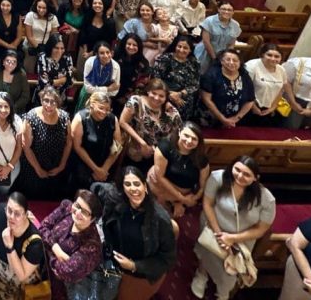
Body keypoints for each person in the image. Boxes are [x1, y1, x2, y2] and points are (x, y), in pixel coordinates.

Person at [191, 156, 275, 300]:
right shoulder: (218, 178)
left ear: (256, 178)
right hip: (214, 228)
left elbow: (261, 228)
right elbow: (207, 204)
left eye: (247, 174)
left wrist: (232, 238)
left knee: (230, 272)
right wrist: (219, 234)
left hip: (241, 239)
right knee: (207, 254)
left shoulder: (266, 199)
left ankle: (222, 293)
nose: (240, 176)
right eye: (237, 170)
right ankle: (202, 273)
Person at [91, 166, 177, 300]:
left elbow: (168, 260)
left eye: (137, 184)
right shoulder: (116, 198)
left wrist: (134, 266)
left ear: (145, 187)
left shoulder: (160, 220)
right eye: (127, 184)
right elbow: (95, 188)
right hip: (109, 257)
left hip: (136, 268)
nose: (133, 188)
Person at [37, 190, 104, 300]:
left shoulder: (92, 246)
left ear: (93, 219)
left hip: (60, 290)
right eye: (77, 206)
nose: (78, 212)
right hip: (39, 266)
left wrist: (47, 246)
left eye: (85, 212)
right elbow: (43, 228)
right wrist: (56, 249)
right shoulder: (67, 207)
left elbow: (67, 272)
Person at [0, 192, 48, 300]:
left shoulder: (35, 242)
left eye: (17, 214)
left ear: (26, 214)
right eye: (9, 210)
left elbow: (22, 275)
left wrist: (9, 247)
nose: (11, 217)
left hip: (20, 280)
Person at [146, 122, 209, 219]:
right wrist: (182, 199)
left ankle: (175, 205)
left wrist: (193, 198)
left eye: (194, 139)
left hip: (185, 193)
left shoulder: (201, 158)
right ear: (179, 132)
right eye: (186, 135)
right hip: (161, 187)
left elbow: (202, 185)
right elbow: (160, 177)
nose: (189, 141)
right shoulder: (165, 146)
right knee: (161, 216)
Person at [20, 86, 72, 199]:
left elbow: (69, 143)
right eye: (46, 100)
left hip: (56, 166)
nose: (49, 105)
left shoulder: (64, 117)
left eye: (53, 102)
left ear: (58, 102)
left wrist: (62, 165)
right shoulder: (31, 117)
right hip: (33, 167)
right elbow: (26, 147)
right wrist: (38, 169)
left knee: (51, 199)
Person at [120, 79, 181, 172]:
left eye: (161, 96)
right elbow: (122, 121)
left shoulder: (170, 110)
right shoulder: (136, 101)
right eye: (154, 93)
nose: (157, 98)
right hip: (136, 149)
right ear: (148, 91)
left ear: (166, 98)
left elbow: (179, 131)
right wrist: (142, 143)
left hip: (158, 154)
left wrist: (160, 150)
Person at [69, 91, 122, 192]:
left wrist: (104, 169)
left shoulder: (112, 119)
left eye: (107, 109)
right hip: (84, 164)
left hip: (106, 165)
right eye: (101, 108)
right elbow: (77, 147)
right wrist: (96, 170)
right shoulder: (80, 118)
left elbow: (118, 145)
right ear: (92, 105)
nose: (104, 112)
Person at [198, 48, 256, 128]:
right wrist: (223, 119)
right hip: (211, 118)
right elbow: (206, 100)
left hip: (235, 121)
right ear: (222, 61)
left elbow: (250, 100)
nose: (231, 63)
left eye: (235, 60)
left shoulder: (245, 77)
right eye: (228, 60)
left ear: (240, 63)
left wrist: (236, 118)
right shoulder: (211, 75)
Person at [151, 37, 200, 120]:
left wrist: (179, 94)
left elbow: (195, 84)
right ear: (175, 46)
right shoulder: (164, 59)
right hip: (163, 94)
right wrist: (169, 94)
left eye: (185, 48)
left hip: (184, 97)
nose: (181, 50)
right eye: (179, 46)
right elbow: (156, 79)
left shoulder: (194, 63)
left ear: (190, 50)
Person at [195, 2, 241, 73]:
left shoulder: (235, 25)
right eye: (224, 9)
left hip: (223, 55)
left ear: (233, 12)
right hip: (206, 53)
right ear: (218, 9)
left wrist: (226, 57)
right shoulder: (209, 21)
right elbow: (206, 41)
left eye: (229, 10)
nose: (226, 12)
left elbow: (231, 44)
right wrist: (214, 58)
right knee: (201, 73)